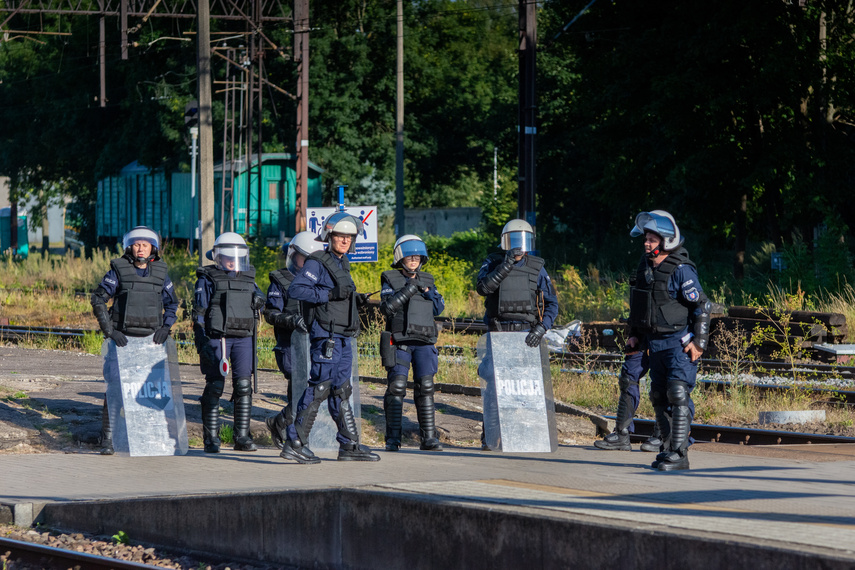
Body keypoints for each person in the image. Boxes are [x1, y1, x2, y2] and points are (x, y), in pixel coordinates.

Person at [279, 212, 380, 464]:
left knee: (341, 390)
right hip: (327, 336)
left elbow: (336, 294)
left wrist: (352, 299)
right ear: (329, 236)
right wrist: (332, 293)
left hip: (343, 335)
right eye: (340, 236)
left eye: (349, 237)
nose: (345, 240)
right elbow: (298, 289)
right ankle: (295, 442)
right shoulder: (318, 262)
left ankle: (349, 445)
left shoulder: (343, 263)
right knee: (320, 387)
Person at [626, 210, 710, 471]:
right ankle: (667, 448)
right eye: (646, 239)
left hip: (678, 344)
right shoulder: (646, 268)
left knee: (677, 393)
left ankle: (680, 453)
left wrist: (699, 343)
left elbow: (703, 306)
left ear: (665, 241)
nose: (646, 243)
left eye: (651, 239)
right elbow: (641, 309)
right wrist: (634, 336)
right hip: (655, 344)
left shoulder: (681, 270)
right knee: (658, 396)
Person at [91, 226, 179, 455]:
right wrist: (110, 331)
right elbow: (98, 299)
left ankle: (146, 437)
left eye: (145, 244)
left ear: (153, 248)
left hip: (151, 344)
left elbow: (172, 304)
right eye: (137, 244)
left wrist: (166, 328)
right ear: (130, 246)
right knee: (117, 390)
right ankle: (108, 439)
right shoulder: (118, 270)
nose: (140, 248)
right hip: (122, 341)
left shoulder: (160, 272)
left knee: (149, 392)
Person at [476, 219, 559, 448]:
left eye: (523, 241)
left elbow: (552, 304)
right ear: (505, 242)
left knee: (525, 388)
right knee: (493, 388)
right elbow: (483, 288)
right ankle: (491, 438)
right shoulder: (493, 262)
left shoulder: (537, 267)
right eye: (514, 240)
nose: (518, 246)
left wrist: (542, 328)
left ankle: (524, 436)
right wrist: (505, 265)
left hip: (526, 338)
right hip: (498, 334)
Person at [193, 232, 266, 454]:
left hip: (244, 337)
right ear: (218, 257)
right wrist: (201, 341)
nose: (232, 260)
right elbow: (199, 313)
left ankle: (242, 437)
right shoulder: (207, 278)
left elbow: (260, 301)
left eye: (236, 256)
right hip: (218, 337)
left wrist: (259, 300)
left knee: (244, 387)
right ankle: (211, 438)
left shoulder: (248, 278)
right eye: (227, 256)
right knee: (215, 386)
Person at [379, 235, 446, 452]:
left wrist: (427, 291)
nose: (414, 259)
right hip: (400, 342)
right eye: (409, 256)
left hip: (425, 342)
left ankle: (428, 439)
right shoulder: (390, 278)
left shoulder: (429, 279)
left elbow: (438, 308)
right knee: (396, 387)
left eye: (417, 256)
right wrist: (410, 288)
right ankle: (393, 439)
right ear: (401, 258)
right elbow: (387, 308)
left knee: (426, 388)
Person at [264, 231, 324, 449]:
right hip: (289, 345)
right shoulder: (280, 280)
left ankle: (280, 423)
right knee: (299, 390)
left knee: (314, 390)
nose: (307, 264)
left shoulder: (319, 280)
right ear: (294, 255)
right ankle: (291, 436)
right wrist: (292, 320)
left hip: (315, 343)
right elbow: (270, 314)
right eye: (304, 258)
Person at [593, 347, 663, 451]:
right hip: (644, 336)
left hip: (669, 336)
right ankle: (621, 434)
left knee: (665, 383)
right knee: (627, 379)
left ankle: (663, 436)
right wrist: (633, 335)